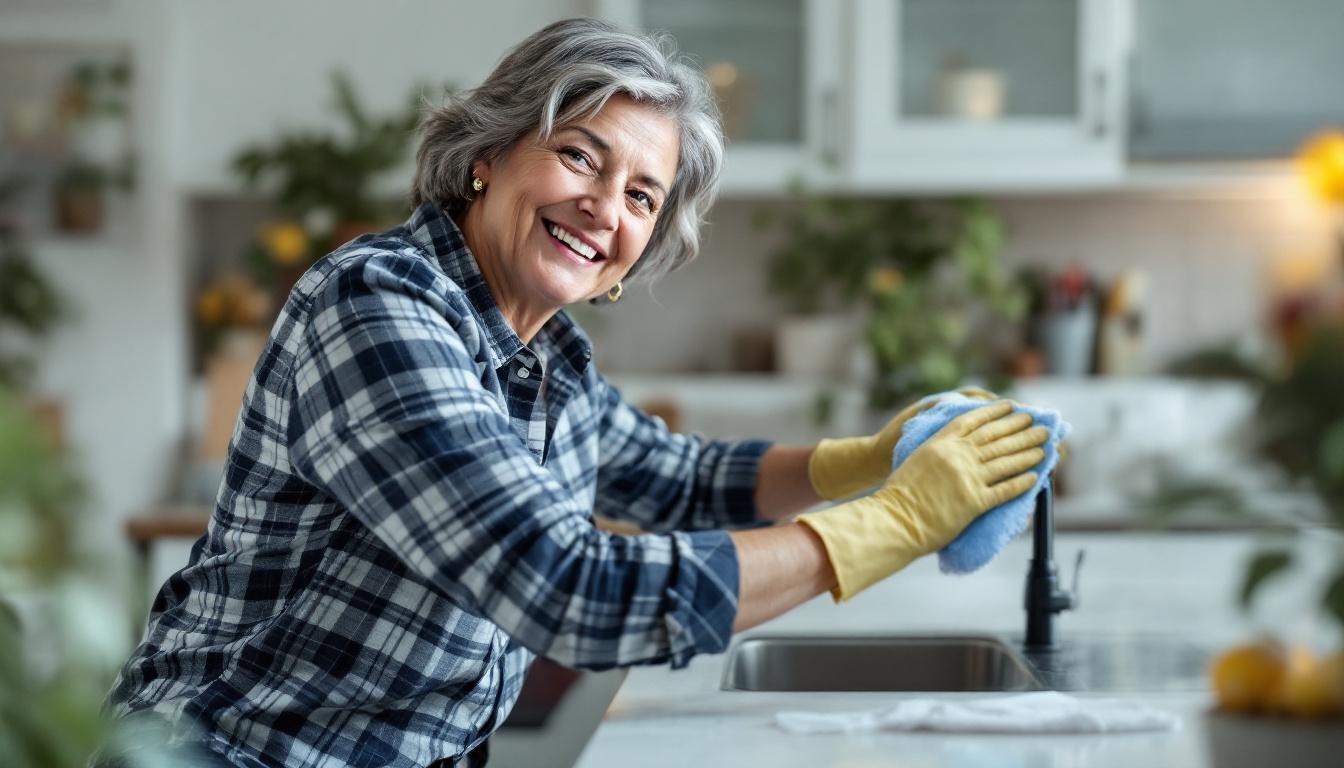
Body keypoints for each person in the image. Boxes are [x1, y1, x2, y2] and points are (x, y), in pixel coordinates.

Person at [103, 18, 1048, 768]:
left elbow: (675, 477)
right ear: (488, 153)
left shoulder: (548, 355)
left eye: (642, 195)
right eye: (582, 156)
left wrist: (866, 460)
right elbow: (563, 587)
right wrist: (893, 523)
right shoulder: (376, 306)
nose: (605, 208)